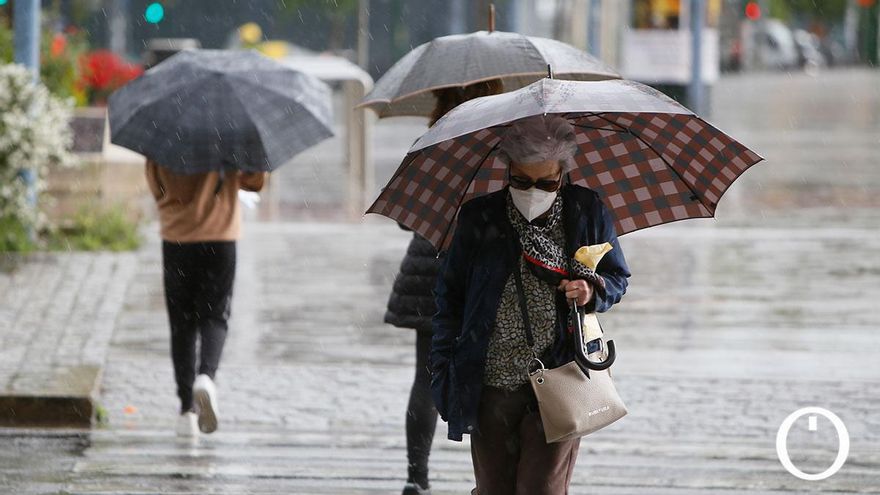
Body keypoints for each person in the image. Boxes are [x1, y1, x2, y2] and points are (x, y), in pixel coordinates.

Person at [430, 115, 631, 494]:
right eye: (521, 180)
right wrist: (443, 366)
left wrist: (592, 290)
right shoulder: (480, 216)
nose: (533, 190)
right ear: (508, 172)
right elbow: (450, 296)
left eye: (546, 181)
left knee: (541, 488)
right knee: (494, 488)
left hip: (561, 372)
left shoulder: (585, 211)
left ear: (562, 175)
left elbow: (616, 277)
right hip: (490, 378)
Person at [385, 79, 503, 495]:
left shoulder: (431, 142)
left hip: (427, 269)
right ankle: (490, 479)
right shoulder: (500, 143)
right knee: (488, 377)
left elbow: (405, 217)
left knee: (426, 375)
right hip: (478, 272)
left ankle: (416, 476)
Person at [145, 160, 267, 437]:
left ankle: (187, 410)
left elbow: (155, 185)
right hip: (220, 236)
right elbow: (255, 180)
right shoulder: (228, 132)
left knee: (181, 323)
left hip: (177, 237)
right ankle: (206, 377)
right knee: (215, 315)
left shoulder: (165, 133)